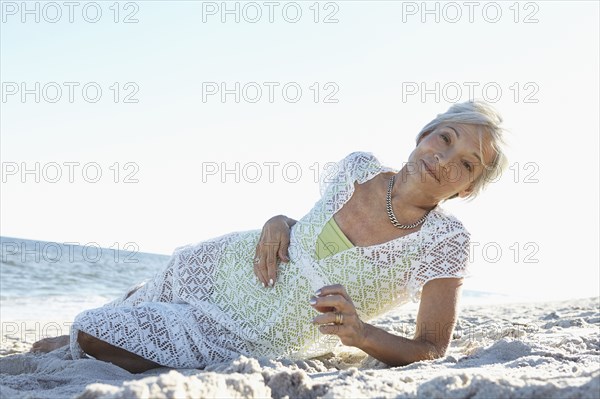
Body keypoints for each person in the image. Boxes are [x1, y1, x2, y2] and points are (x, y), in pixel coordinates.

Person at [31, 100, 508, 374]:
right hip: (222, 267)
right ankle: (68, 341)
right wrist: (280, 220)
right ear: (423, 134)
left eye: (466, 164)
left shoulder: (445, 240)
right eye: (444, 138)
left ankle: (77, 340)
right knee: (134, 302)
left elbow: (430, 348)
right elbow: (313, 237)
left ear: (466, 188)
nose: (445, 159)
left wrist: (360, 334)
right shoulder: (357, 166)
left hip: (253, 336)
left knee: (95, 330)